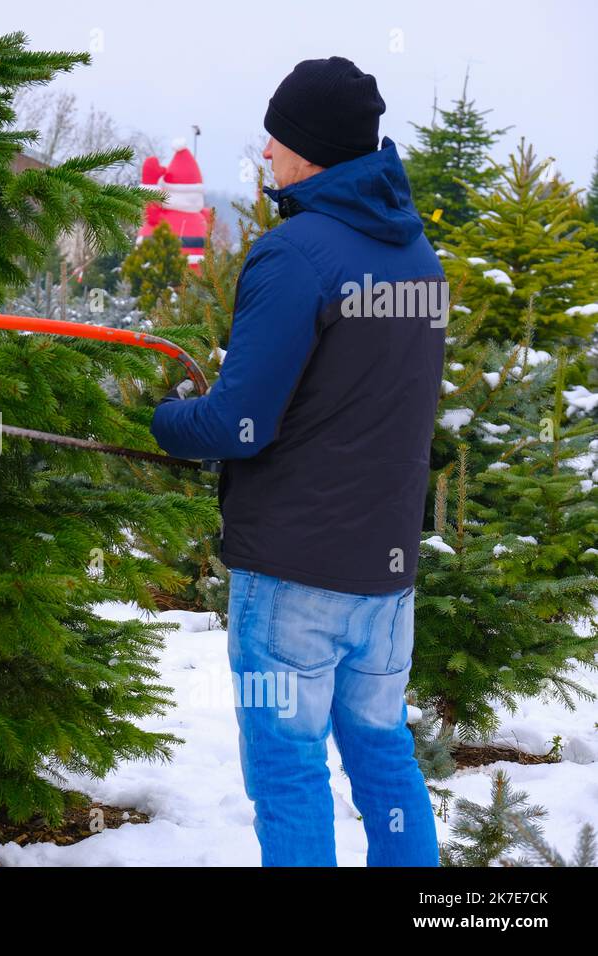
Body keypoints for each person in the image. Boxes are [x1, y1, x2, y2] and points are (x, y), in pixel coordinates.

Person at [150, 56, 446, 866]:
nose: (267, 152)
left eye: (277, 136)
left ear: (310, 148)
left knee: (288, 773)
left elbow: (240, 421)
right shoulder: (419, 256)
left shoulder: (296, 254)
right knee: (386, 759)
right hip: (385, 578)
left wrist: (167, 419)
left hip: (292, 579)